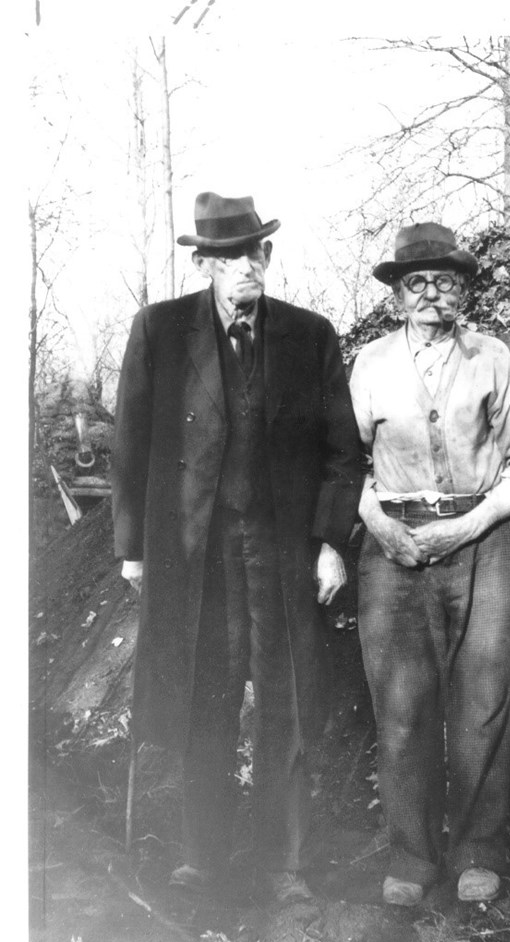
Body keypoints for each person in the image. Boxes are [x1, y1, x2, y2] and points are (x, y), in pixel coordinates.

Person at [112, 192, 362, 902]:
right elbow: (130, 442)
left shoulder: (309, 337)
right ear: (204, 264)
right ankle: (203, 858)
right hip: (197, 555)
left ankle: (289, 867)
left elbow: (344, 453)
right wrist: (133, 547)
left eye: (254, 253)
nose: (245, 268)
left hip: (282, 549)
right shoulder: (160, 332)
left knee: (288, 699)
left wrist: (329, 542)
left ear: (268, 256)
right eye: (228, 257)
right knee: (203, 696)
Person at [349, 222, 510, 906]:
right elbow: (340, 463)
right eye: (417, 282)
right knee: (402, 703)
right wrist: (379, 523)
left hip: (486, 532)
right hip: (394, 539)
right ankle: (411, 855)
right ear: (397, 297)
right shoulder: (371, 364)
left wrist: (467, 524)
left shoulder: (491, 355)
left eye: (445, 280)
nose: (432, 292)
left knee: (483, 695)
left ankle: (478, 849)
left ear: (463, 289)